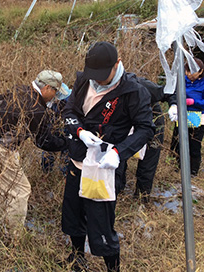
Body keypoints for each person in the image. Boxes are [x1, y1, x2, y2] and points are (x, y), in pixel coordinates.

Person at [61, 42, 155, 272]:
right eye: (94, 75)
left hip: (104, 168)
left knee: (101, 224)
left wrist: (118, 153)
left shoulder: (132, 91)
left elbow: (145, 128)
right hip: (78, 160)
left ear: (117, 64)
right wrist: (80, 132)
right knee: (73, 215)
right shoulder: (85, 79)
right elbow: (69, 110)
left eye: (103, 75)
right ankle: (76, 259)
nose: (98, 80)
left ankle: (112, 268)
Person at [0, 70, 70, 240]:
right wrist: (67, 142)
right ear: (47, 88)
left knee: (0, 186)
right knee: (21, 190)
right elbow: (43, 142)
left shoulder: (20, 89)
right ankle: (14, 237)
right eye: (55, 92)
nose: (56, 97)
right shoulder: (36, 109)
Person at [131, 77, 177, 202]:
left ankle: (142, 196)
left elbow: (169, 91)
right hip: (129, 121)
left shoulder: (142, 85)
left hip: (153, 120)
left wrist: (173, 105)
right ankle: (117, 188)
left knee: (150, 156)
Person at [170, 57, 204, 177]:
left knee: (194, 143)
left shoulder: (203, 84)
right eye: (187, 71)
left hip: (198, 117)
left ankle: (193, 171)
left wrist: (194, 102)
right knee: (177, 141)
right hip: (182, 115)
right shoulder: (182, 81)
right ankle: (175, 167)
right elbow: (173, 94)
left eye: (193, 72)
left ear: (200, 71)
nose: (189, 74)